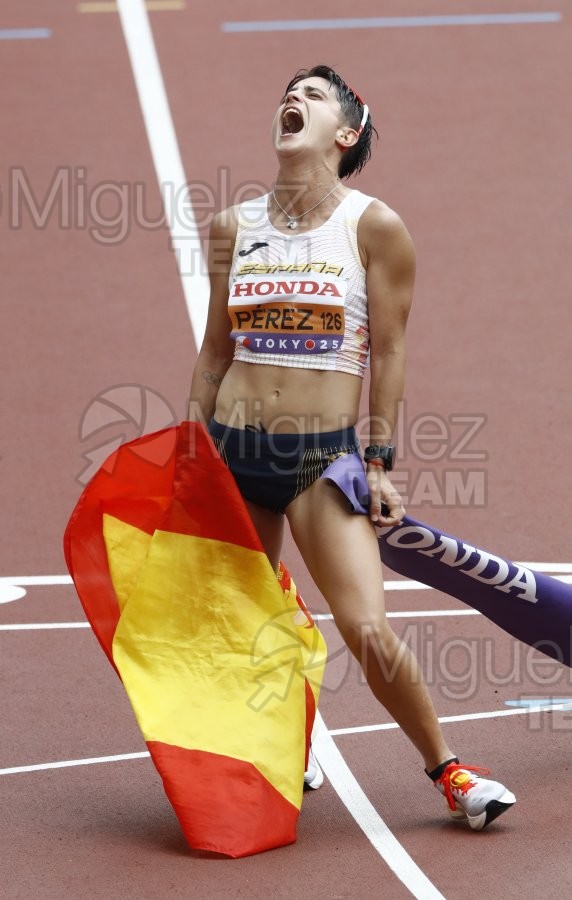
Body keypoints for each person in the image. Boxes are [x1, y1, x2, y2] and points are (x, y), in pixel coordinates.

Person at [187, 65, 515, 830]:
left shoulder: (374, 227)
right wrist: (190, 448)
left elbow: (391, 351)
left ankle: (450, 771)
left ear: (345, 133)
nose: (292, 99)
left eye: (313, 94)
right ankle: (286, 740)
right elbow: (214, 350)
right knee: (243, 625)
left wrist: (379, 461)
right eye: (288, 92)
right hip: (233, 453)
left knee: (366, 628)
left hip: (318, 462)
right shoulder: (233, 226)